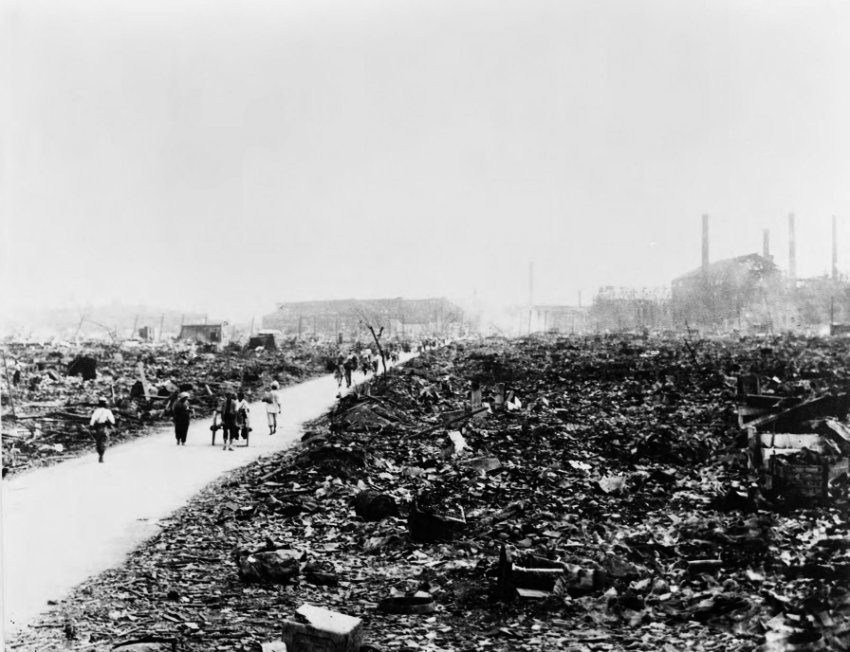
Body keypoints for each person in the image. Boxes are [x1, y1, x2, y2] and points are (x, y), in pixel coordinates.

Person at [89, 397, 115, 463]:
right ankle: (101, 456)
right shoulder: (107, 411)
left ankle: (100, 454)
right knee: (105, 440)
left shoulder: (96, 411)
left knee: (98, 441)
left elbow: (92, 420)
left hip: (97, 428)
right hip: (104, 427)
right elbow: (113, 421)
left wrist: (91, 427)